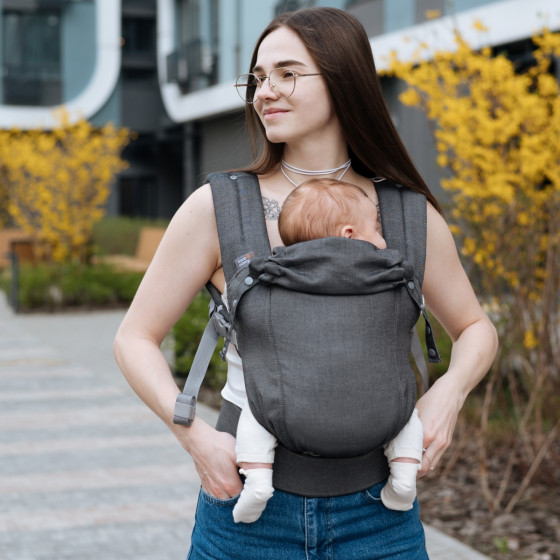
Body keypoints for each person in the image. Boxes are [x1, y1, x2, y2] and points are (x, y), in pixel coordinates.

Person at [114, 7, 498, 559]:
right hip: (247, 512)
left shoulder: (406, 214)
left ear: (344, 79)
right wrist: (193, 437)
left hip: (380, 517)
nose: (265, 91)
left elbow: (475, 327)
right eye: (258, 78)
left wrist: (449, 395)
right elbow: (133, 337)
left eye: (287, 74)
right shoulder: (219, 207)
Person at [233, 178, 424, 524]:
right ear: (349, 233)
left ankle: (258, 480)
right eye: (377, 229)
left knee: (255, 409)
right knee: (406, 414)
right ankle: (404, 477)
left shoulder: (277, 274)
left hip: (287, 411)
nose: (382, 239)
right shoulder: (387, 274)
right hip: (376, 413)